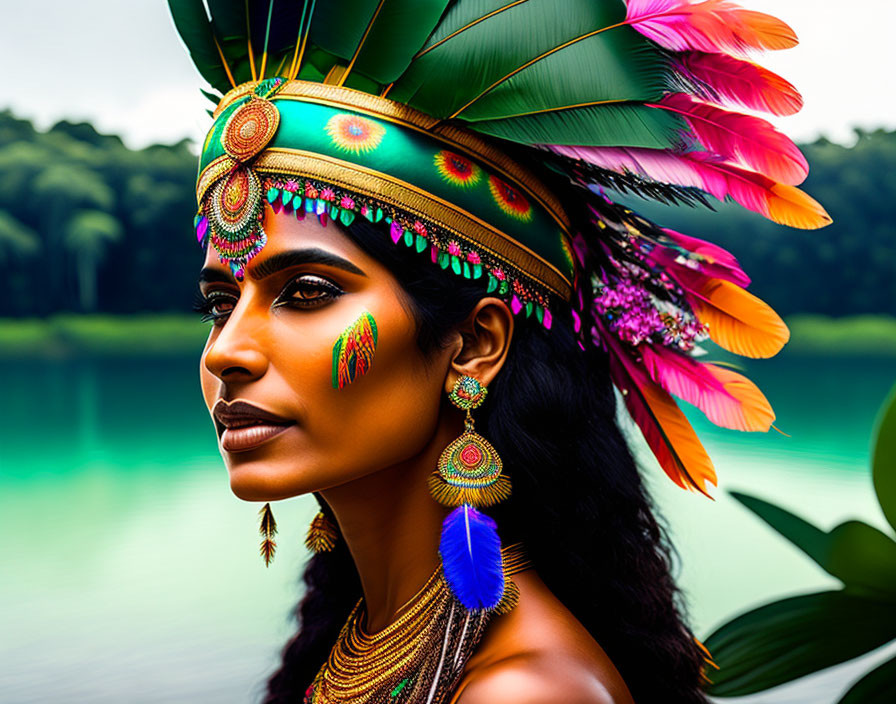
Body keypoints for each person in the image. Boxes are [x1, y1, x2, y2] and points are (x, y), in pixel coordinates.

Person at [171, 1, 829, 702]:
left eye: (305, 292)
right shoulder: (365, 638)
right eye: (220, 304)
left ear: (475, 344)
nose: (227, 352)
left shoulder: (524, 691)